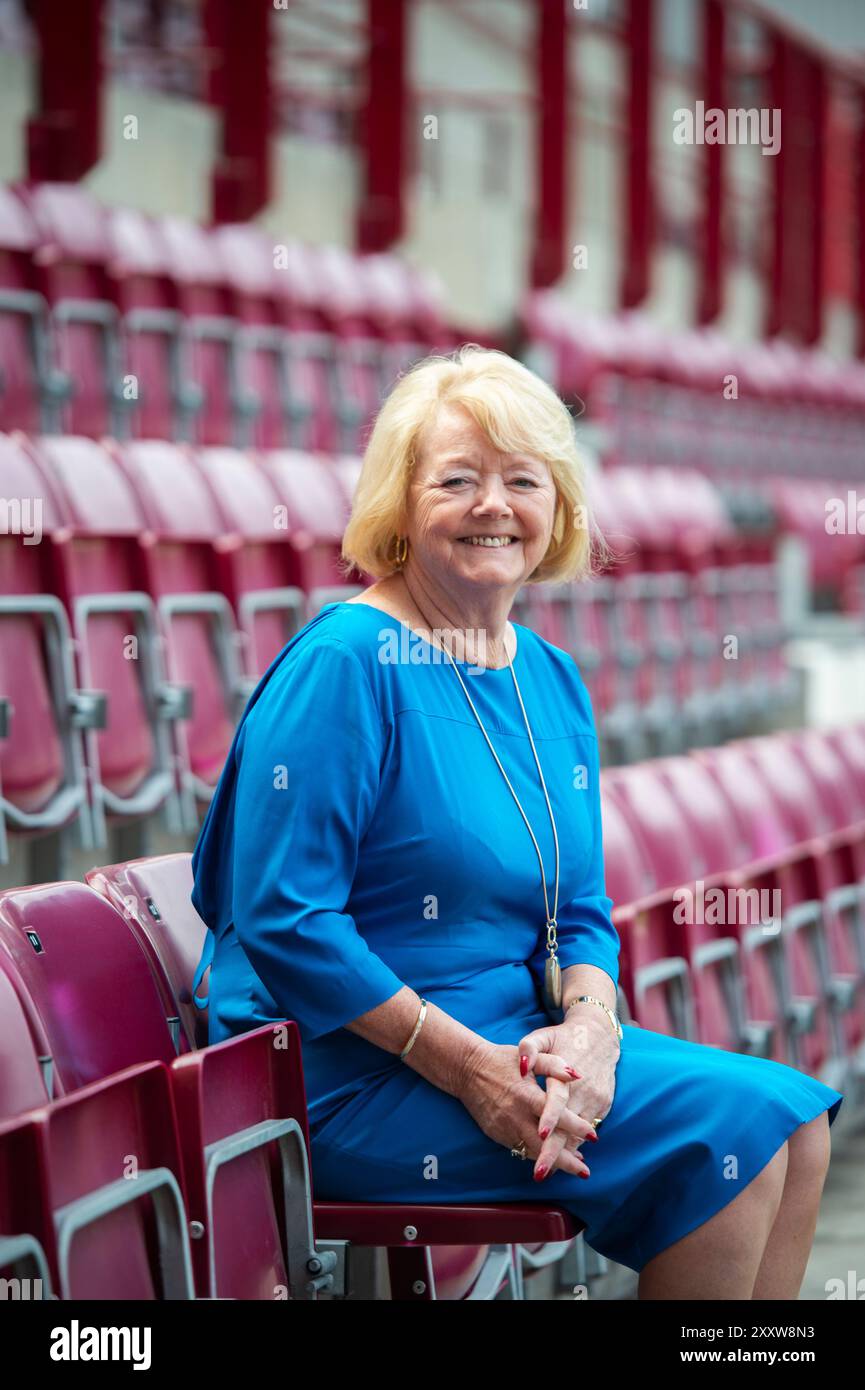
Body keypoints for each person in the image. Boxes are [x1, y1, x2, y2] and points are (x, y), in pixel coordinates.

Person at [190, 346, 843, 1298]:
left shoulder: (547, 675)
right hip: (346, 1073)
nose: (493, 506)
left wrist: (591, 1030)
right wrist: (463, 1069)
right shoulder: (347, 662)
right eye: (456, 480)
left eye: (521, 481)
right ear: (400, 507)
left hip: (513, 1038)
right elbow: (289, 920)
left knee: (794, 1124)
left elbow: (577, 905)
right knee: (725, 1147)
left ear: (558, 509)